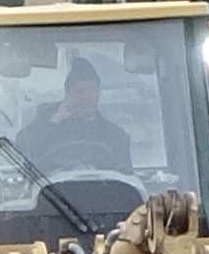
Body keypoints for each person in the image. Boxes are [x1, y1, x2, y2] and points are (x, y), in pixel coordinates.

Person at [11, 58, 139, 173]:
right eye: (80, 91)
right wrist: (55, 120)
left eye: (92, 90)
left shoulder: (115, 135)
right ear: (68, 94)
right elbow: (22, 146)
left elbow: (126, 177)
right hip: (51, 196)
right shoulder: (46, 128)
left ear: (99, 94)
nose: (86, 97)